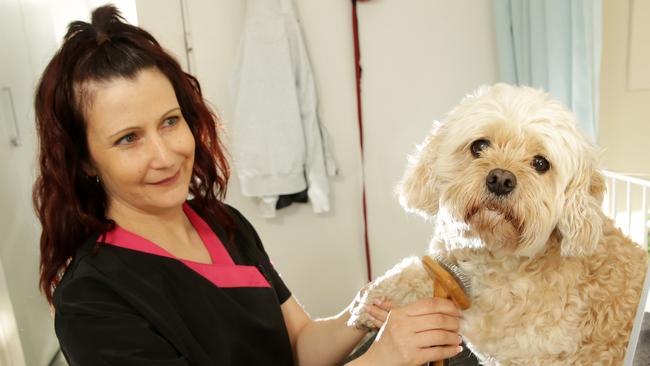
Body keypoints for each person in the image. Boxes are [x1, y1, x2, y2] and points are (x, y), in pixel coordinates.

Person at [32, 5, 463, 366]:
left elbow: (298, 345)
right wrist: (379, 359)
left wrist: (359, 318)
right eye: (129, 139)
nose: (164, 156)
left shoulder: (221, 223)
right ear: (85, 158)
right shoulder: (92, 301)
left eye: (170, 122)